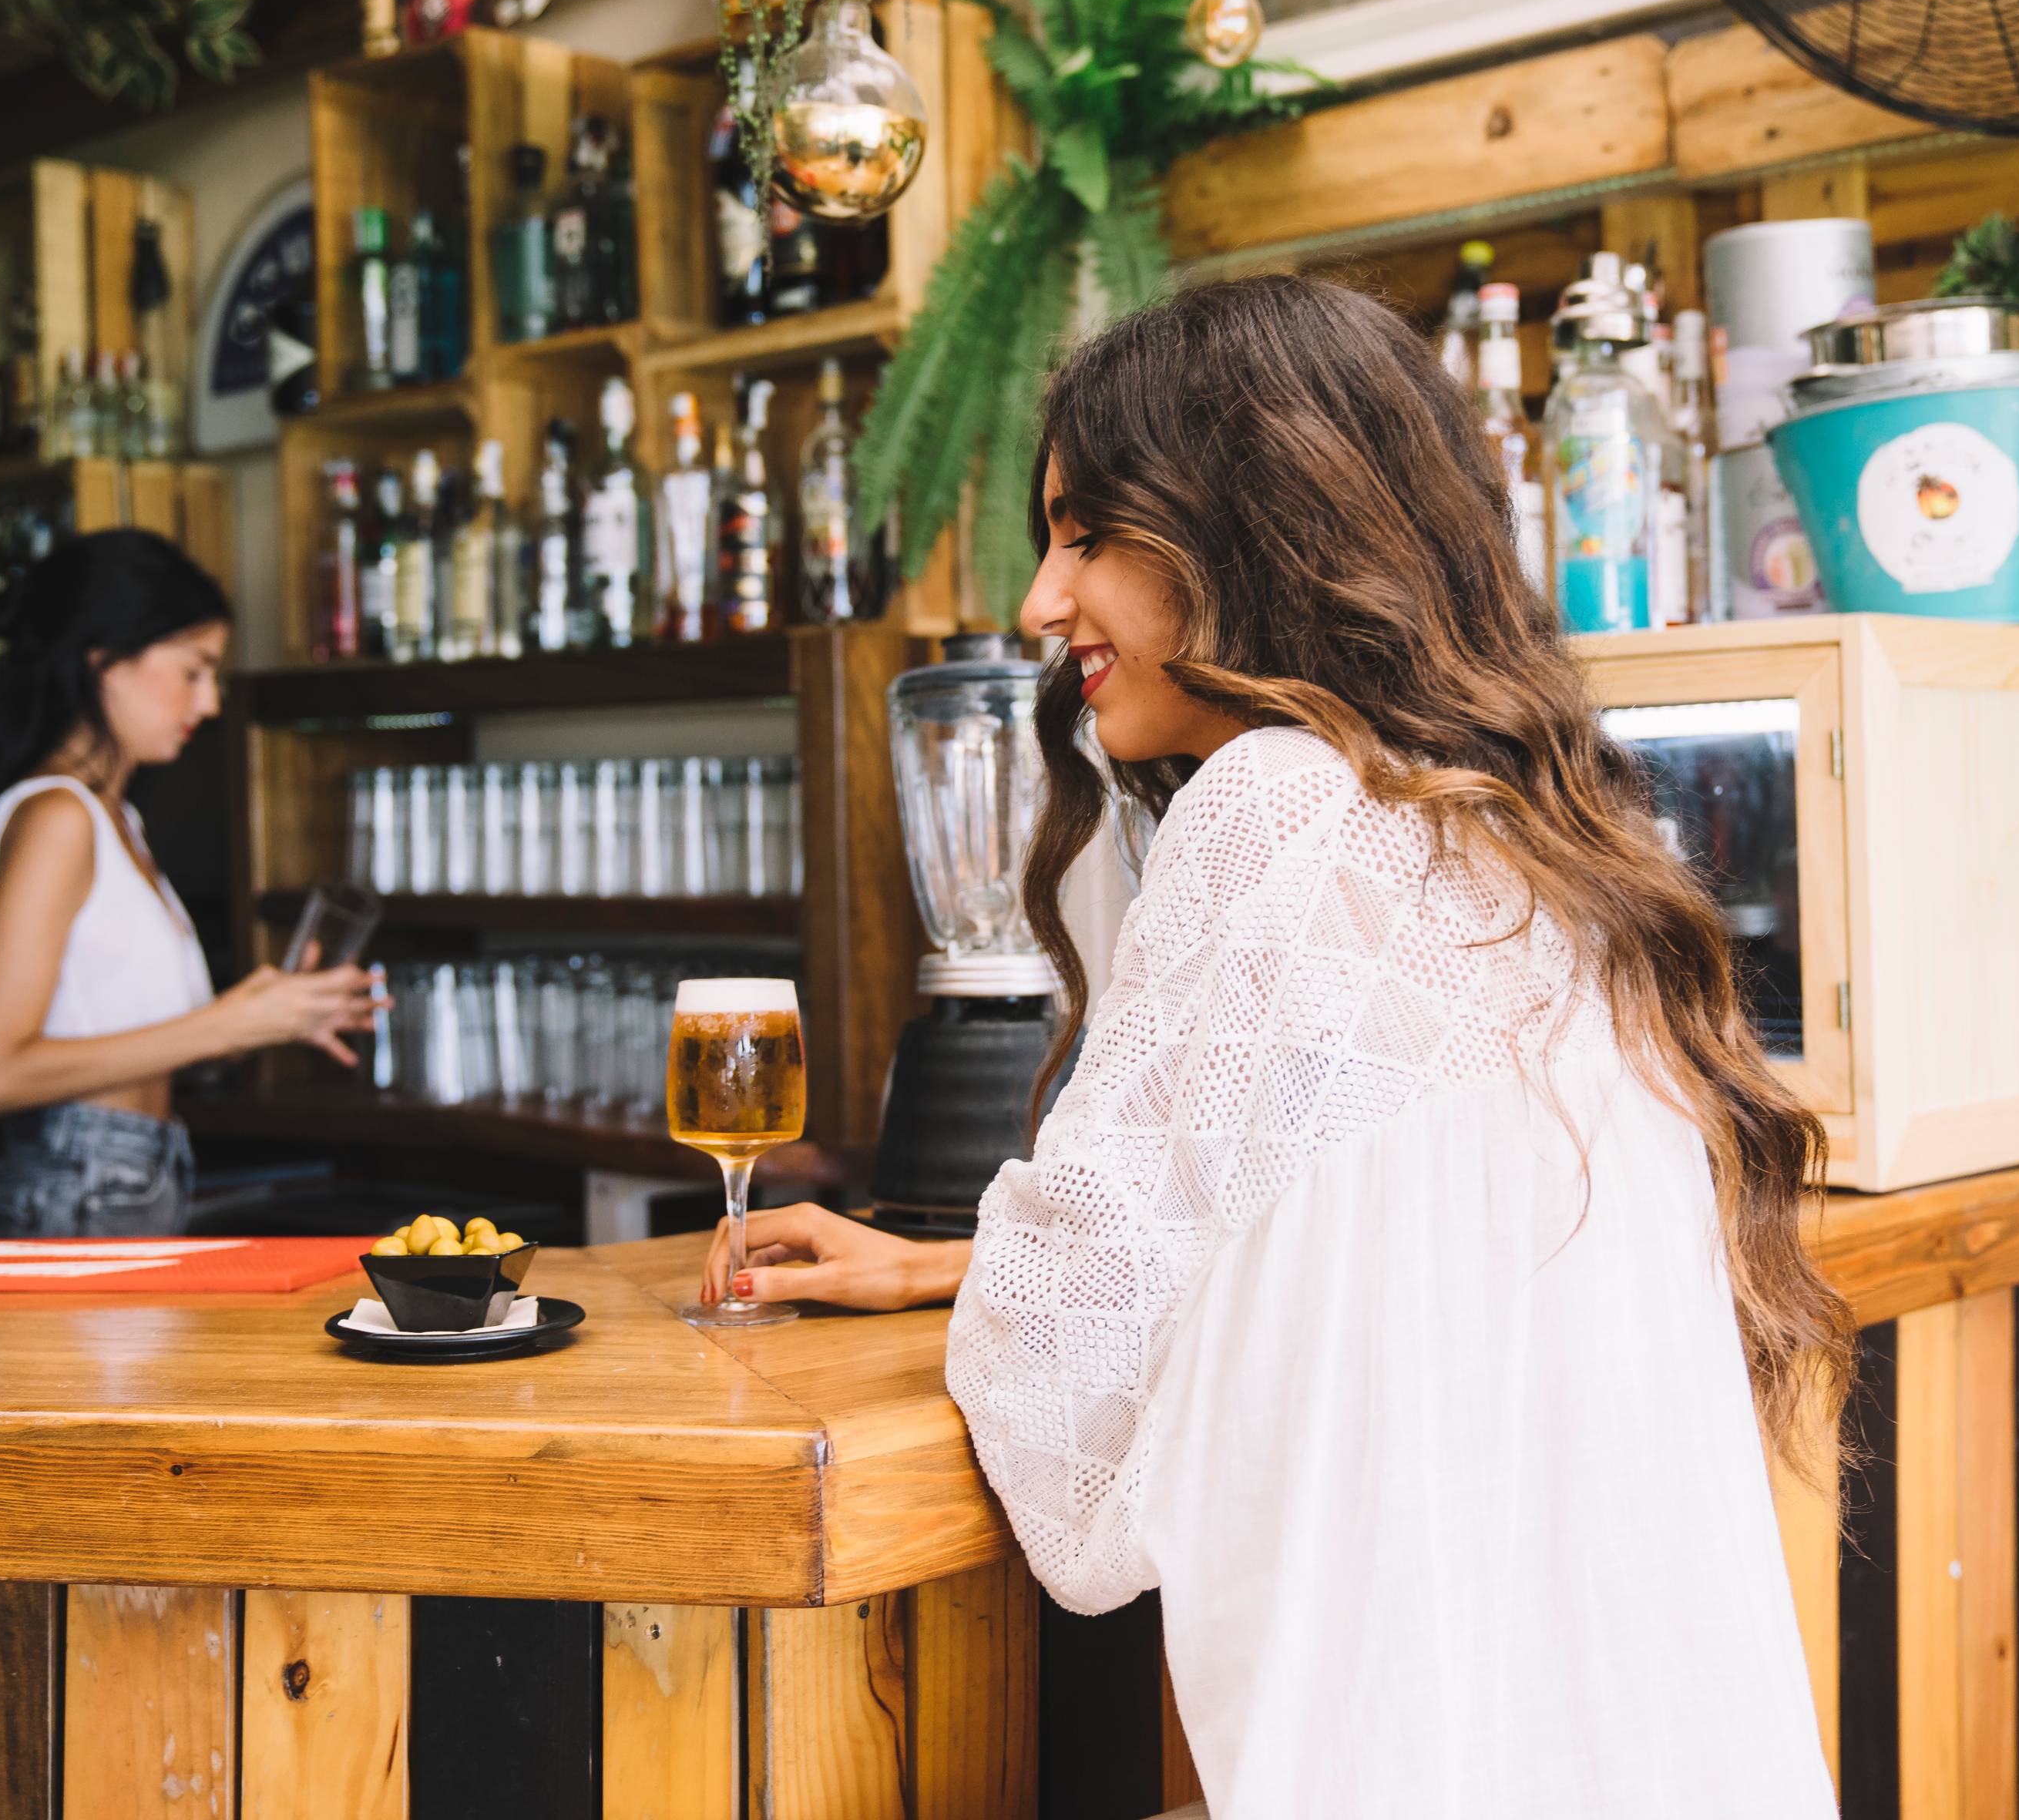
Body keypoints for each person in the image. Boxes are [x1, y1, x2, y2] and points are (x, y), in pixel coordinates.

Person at [702, 276, 1848, 1815]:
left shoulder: (1281, 806)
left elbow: (1070, 1393)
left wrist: (1017, 1277)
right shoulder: (1547, 835)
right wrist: (946, 1263)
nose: (1043, 603)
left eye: (1087, 532)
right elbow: (1363, 1235)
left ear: (1254, 527)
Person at [0, 529, 373, 1236]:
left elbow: (134, 1034)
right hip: (79, 1182)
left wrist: (271, 1013)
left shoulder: (116, 818)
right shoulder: (59, 815)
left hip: (134, 1174)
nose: (209, 703)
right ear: (106, 663)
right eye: (194, 670)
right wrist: (226, 1025)